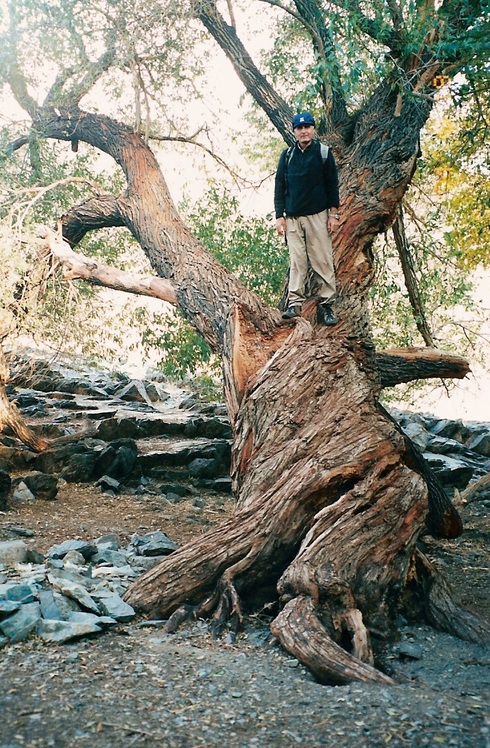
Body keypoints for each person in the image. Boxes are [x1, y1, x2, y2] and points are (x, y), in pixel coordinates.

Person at [274, 112, 340, 325]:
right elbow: (279, 187)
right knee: (297, 262)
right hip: (292, 218)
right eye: (300, 128)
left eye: (308, 127)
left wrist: (333, 215)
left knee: (322, 260)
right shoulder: (287, 156)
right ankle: (294, 304)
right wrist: (279, 216)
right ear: (294, 131)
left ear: (313, 129)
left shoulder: (323, 153)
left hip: (317, 217)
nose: (304, 131)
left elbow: (332, 186)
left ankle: (327, 306)